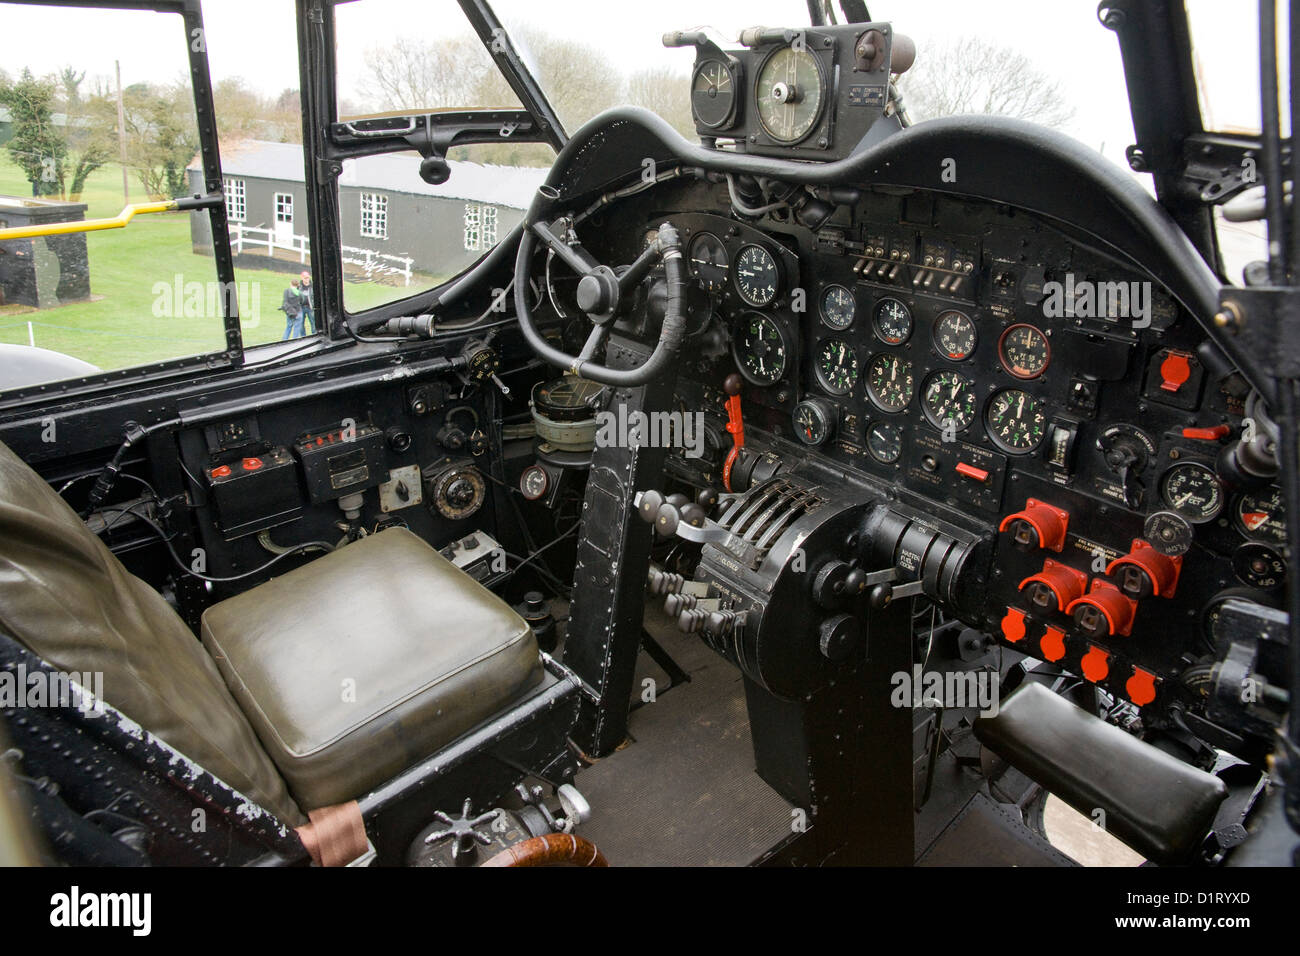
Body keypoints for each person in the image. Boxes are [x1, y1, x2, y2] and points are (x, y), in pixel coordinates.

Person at [298, 270, 316, 335]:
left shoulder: (313, 286)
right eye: (305, 278)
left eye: (308, 277)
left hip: (310, 307)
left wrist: (314, 304)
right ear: (302, 278)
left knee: (313, 322)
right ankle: (303, 336)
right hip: (301, 308)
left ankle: (314, 335)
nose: (307, 279)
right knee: (300, 323)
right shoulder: (299, 286)